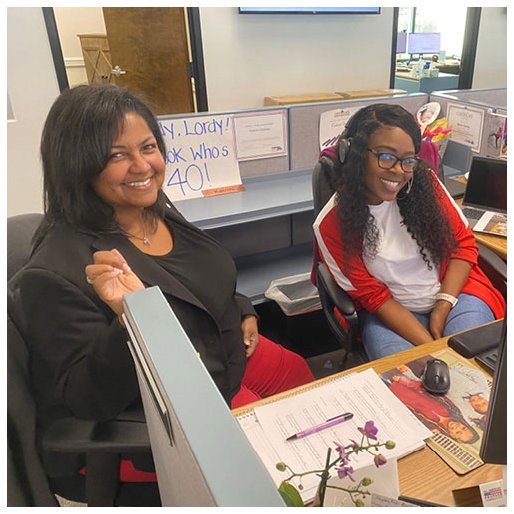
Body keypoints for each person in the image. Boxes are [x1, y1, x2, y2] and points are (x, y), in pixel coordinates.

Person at [15, 84, 314, 491]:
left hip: (223, 356)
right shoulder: (53, 272)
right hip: (171, 400)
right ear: (77, 165)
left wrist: (241, 306)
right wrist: (132, 318)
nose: (143, 166)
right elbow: (86, 400)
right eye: (117, 154)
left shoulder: (154, 208)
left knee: (301, 376)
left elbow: (199, 275)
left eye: (148, 146)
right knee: (279, 459)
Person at [313, 103, 505, 361]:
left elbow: (463, 245)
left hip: (456, 293)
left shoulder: (426, 185)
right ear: (355, 155)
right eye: (386, 157)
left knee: (477, 366)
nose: (398, 171)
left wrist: (443, 305)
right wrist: (434, 349)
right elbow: (373, 296)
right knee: (411, 382)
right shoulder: (330, 224)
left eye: (408, 160)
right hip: (391, 310)